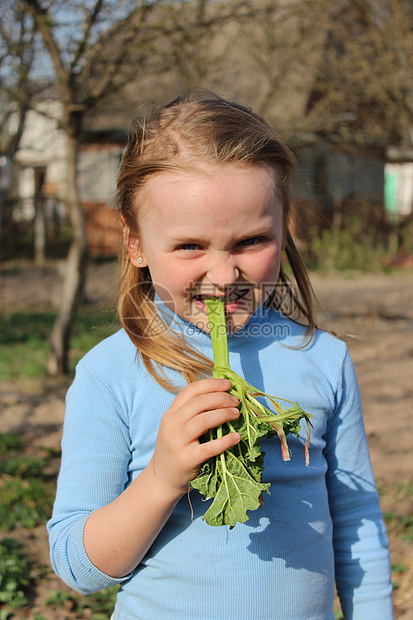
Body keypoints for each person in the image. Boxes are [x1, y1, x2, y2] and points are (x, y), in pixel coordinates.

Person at [48, 90, 393, 619]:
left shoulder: (322, 359)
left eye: (251, 241)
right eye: (190, 246)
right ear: (135, 241)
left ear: (285, 227)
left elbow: (357, 522)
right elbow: (78, 569)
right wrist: (162, 479)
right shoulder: (109, 374)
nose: (224, 274)